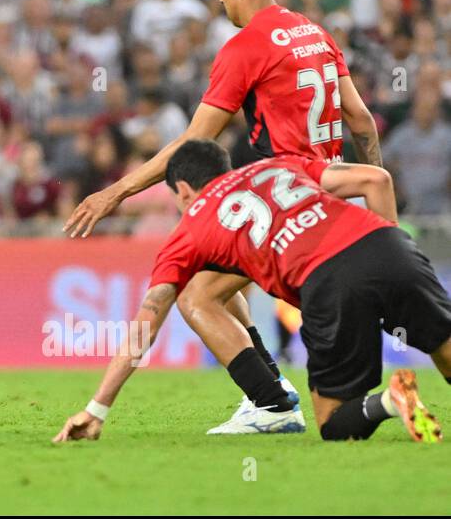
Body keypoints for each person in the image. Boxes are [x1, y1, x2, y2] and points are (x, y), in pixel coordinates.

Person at [65, 0, 383, 433]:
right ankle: (272, 391)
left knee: (194, 294)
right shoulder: (315, 33)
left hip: (287, 201)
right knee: (219, 265)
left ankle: (272, 403)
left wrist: (116, 191)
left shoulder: (246, 47)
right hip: (331, 193)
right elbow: (362, 123)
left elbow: (194, 143)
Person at [55, 140, 449, 443]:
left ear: (184, 191)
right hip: (390, 245)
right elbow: (375, 179)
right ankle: (273, 396)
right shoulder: (277, 166)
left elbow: (150, 318)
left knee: (334, 424)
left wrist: (97, 407)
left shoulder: (191, 227)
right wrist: (391, 259)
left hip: (329, 280)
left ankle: (389, 398)